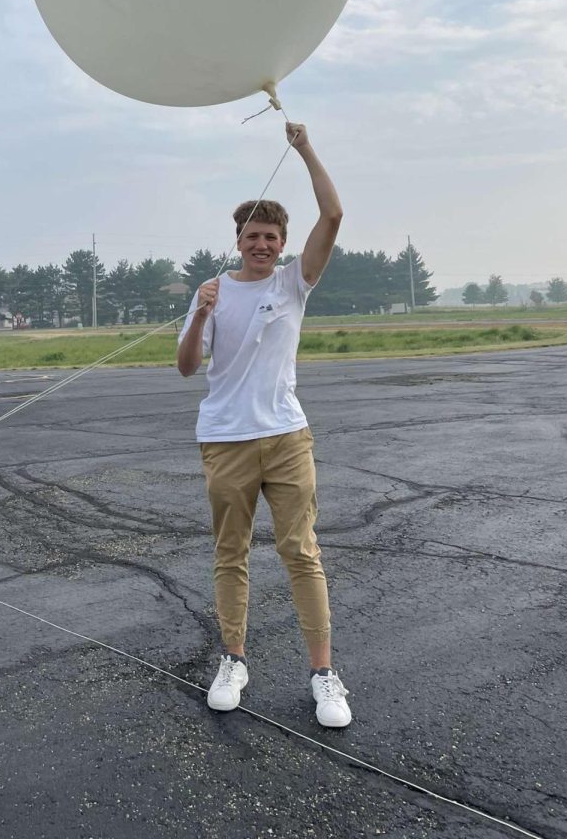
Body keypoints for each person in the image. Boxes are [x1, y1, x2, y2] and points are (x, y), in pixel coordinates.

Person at [176, 122, 351, 727]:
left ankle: (324, 675)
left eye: (272, 236)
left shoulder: (294, 283)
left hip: (285, 437)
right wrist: (200, 316)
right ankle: (234, 660)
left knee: (301, 551)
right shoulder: (213, 290)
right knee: (231, 554)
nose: (263, 245)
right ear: (238, 239)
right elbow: (185, 366)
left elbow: (332, 215)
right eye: (253, 236)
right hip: (224, 440)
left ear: (282, 244)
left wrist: (304, 147)